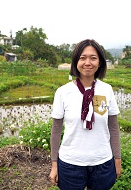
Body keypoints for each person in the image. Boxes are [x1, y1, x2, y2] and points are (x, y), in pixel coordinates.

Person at [49, 39, 121, 190]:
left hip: (103, 162)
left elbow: (113, 128)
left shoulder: (107, 90)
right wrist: (54, 165)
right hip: (70, 164)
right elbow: (55, 131)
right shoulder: (63, 92)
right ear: (76, 62)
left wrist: (117, 159)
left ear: (100, 62)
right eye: (83, 58)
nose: (87, 62)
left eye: (93, 58)